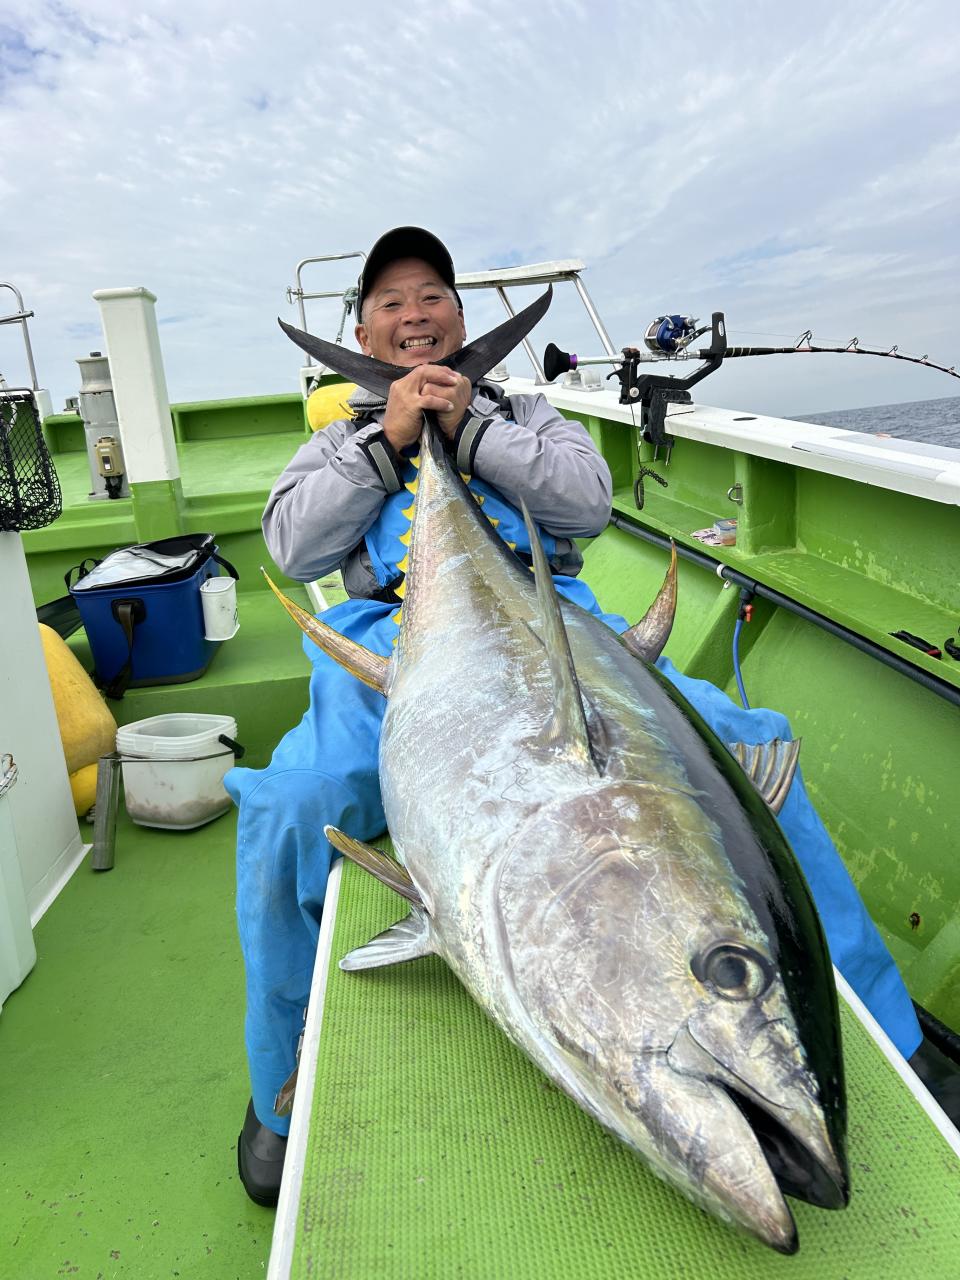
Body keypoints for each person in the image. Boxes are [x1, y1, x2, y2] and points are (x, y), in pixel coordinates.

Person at [226, 227, 943, 1207]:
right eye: (390, 302)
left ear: (460, 318)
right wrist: (389, 442)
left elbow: (588, 505)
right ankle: (278, 1089)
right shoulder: (335, 440)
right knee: (288, 804)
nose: (414, 315)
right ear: (363, 334)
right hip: (391, 638)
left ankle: (890, 1035)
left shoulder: (526, 410)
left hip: (555, 620)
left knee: (751, 741)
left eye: (432, 295)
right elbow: (292, 545)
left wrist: (471, 430)